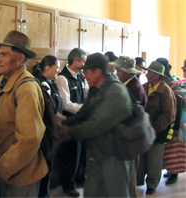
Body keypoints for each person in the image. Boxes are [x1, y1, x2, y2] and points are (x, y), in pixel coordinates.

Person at [56, 52, 133, 197]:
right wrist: (65, 121)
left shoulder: (116, 92)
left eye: (86, 71)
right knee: (92, 193)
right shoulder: (96, 89)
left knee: (116, 194)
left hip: (114, 156)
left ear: (97, 72)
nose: (84, 75)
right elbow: (84, 113)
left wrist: (68, 131)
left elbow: (95, 124)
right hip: (96, 154)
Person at [0, 30, 48, 197]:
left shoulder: (25, 88)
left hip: (22, 174)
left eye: (4, 54)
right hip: (11, 171)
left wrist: (3, 168)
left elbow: (29, 139)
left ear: (20, 58)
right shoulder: (7, 82)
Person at [136, 61, 176, 195]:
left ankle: (152, 185)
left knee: (154, 160)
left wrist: (154, 128)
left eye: (150, 72)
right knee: (141, 159)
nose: (147, 74)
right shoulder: (144, 87)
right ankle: (139, 181)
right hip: (143, 131)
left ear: (158, 75)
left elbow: (168, 115)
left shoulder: (166, 92)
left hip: (157, 132)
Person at [112, 55, 148, 197]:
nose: (117, 73)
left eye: (119, 71)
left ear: (127, 71)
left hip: (131, 137)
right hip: (128, 136)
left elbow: (128, 115)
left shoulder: (134, 88)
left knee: (129, 175)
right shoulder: (127, 85)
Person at [55, 48, 88, 197]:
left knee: (81, 152)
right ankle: (68, 185)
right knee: (70, 154)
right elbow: (65, 104)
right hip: (69, 121)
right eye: (83, 61)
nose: (84, 65)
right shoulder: (63, 78)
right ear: (76, 61)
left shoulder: (81, 76)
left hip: (81, 121)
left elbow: (86, 92)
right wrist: (85, 108)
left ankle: (80, 178)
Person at [32, 55, 62, 198]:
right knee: (43, 173)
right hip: (45, 137)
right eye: (57, 67)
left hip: (50, 133)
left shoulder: (51, 83)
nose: (59, 70)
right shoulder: (41, 85)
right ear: (48, 68)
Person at [156, 58, 186, 185]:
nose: (183, 73)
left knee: (176, 143)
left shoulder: (173, 83)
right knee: (170, 144)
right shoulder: (174, 82)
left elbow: (179, 103)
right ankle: (171, 169)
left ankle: (175, 171)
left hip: (179, 116)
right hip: (172, 115)